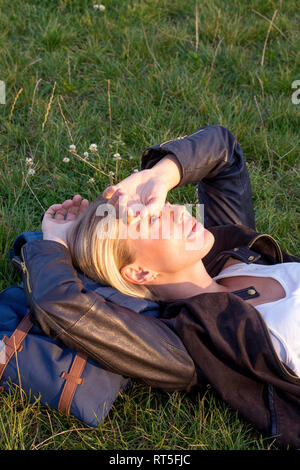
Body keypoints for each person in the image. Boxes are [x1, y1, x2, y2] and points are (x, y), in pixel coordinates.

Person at [20, 125, 300, 447]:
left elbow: (223, 150)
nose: (179, 211)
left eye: (163, 207)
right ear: (139, 273)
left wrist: (158, 176)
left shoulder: (229, 251)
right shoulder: (188, 345)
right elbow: (59, 305)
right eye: (151, 220)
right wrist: (54, 243)